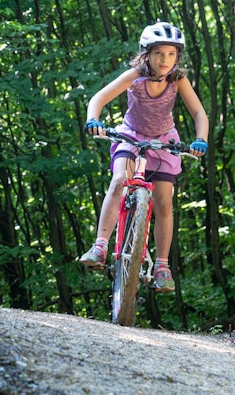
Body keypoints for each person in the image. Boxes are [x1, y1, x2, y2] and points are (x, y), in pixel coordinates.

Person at [79, 21, 209, 293]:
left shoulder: (178, 80)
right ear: (146, 53)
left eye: (172, 54)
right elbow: (98, 99)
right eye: (159, 53)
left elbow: (198, 113)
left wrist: (200, 139)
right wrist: (94, 120)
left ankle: (162, 265)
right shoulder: (134, 76)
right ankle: (100, 245)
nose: (165, 60)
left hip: (164, 141)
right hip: (131, 135)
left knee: (164, 201)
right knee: (118, 182)